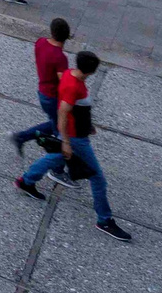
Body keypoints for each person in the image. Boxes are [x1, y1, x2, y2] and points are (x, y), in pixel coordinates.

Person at [17, 48, 133, 241]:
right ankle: (104, 220)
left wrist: (88, 125)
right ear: (90, 71)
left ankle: (26, 181)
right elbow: (63, 112)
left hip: (78, 132)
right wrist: (66, 142)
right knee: (97, 178)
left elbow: (76, 110)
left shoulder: (71, 74)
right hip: (76, 138)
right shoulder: (74, 86)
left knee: (54, 157)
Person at [10, 18, 73, 156]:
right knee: (60, 132)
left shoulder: (40, 42)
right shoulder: (60, 57)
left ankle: (21, 137)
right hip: (53, 97)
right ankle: (57, 169)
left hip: (43, 92)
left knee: (55, 124)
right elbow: (63, 83)